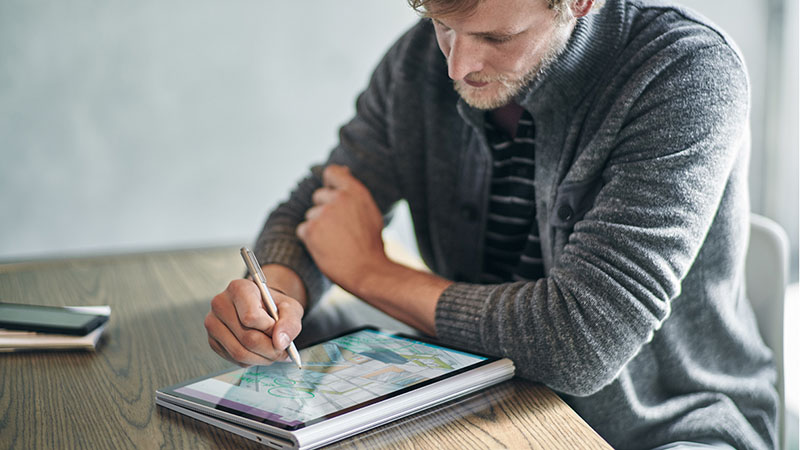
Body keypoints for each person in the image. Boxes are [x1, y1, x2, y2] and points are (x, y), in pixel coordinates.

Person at [203, 0, 779, 448]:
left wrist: (368, 270)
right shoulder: (418, 63)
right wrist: (275, 293)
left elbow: (580, 344)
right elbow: (319, 205)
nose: (458, 64)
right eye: (443, 26)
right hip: (477, 397)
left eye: (496, 38)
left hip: (662, 428)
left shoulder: (686, 72)